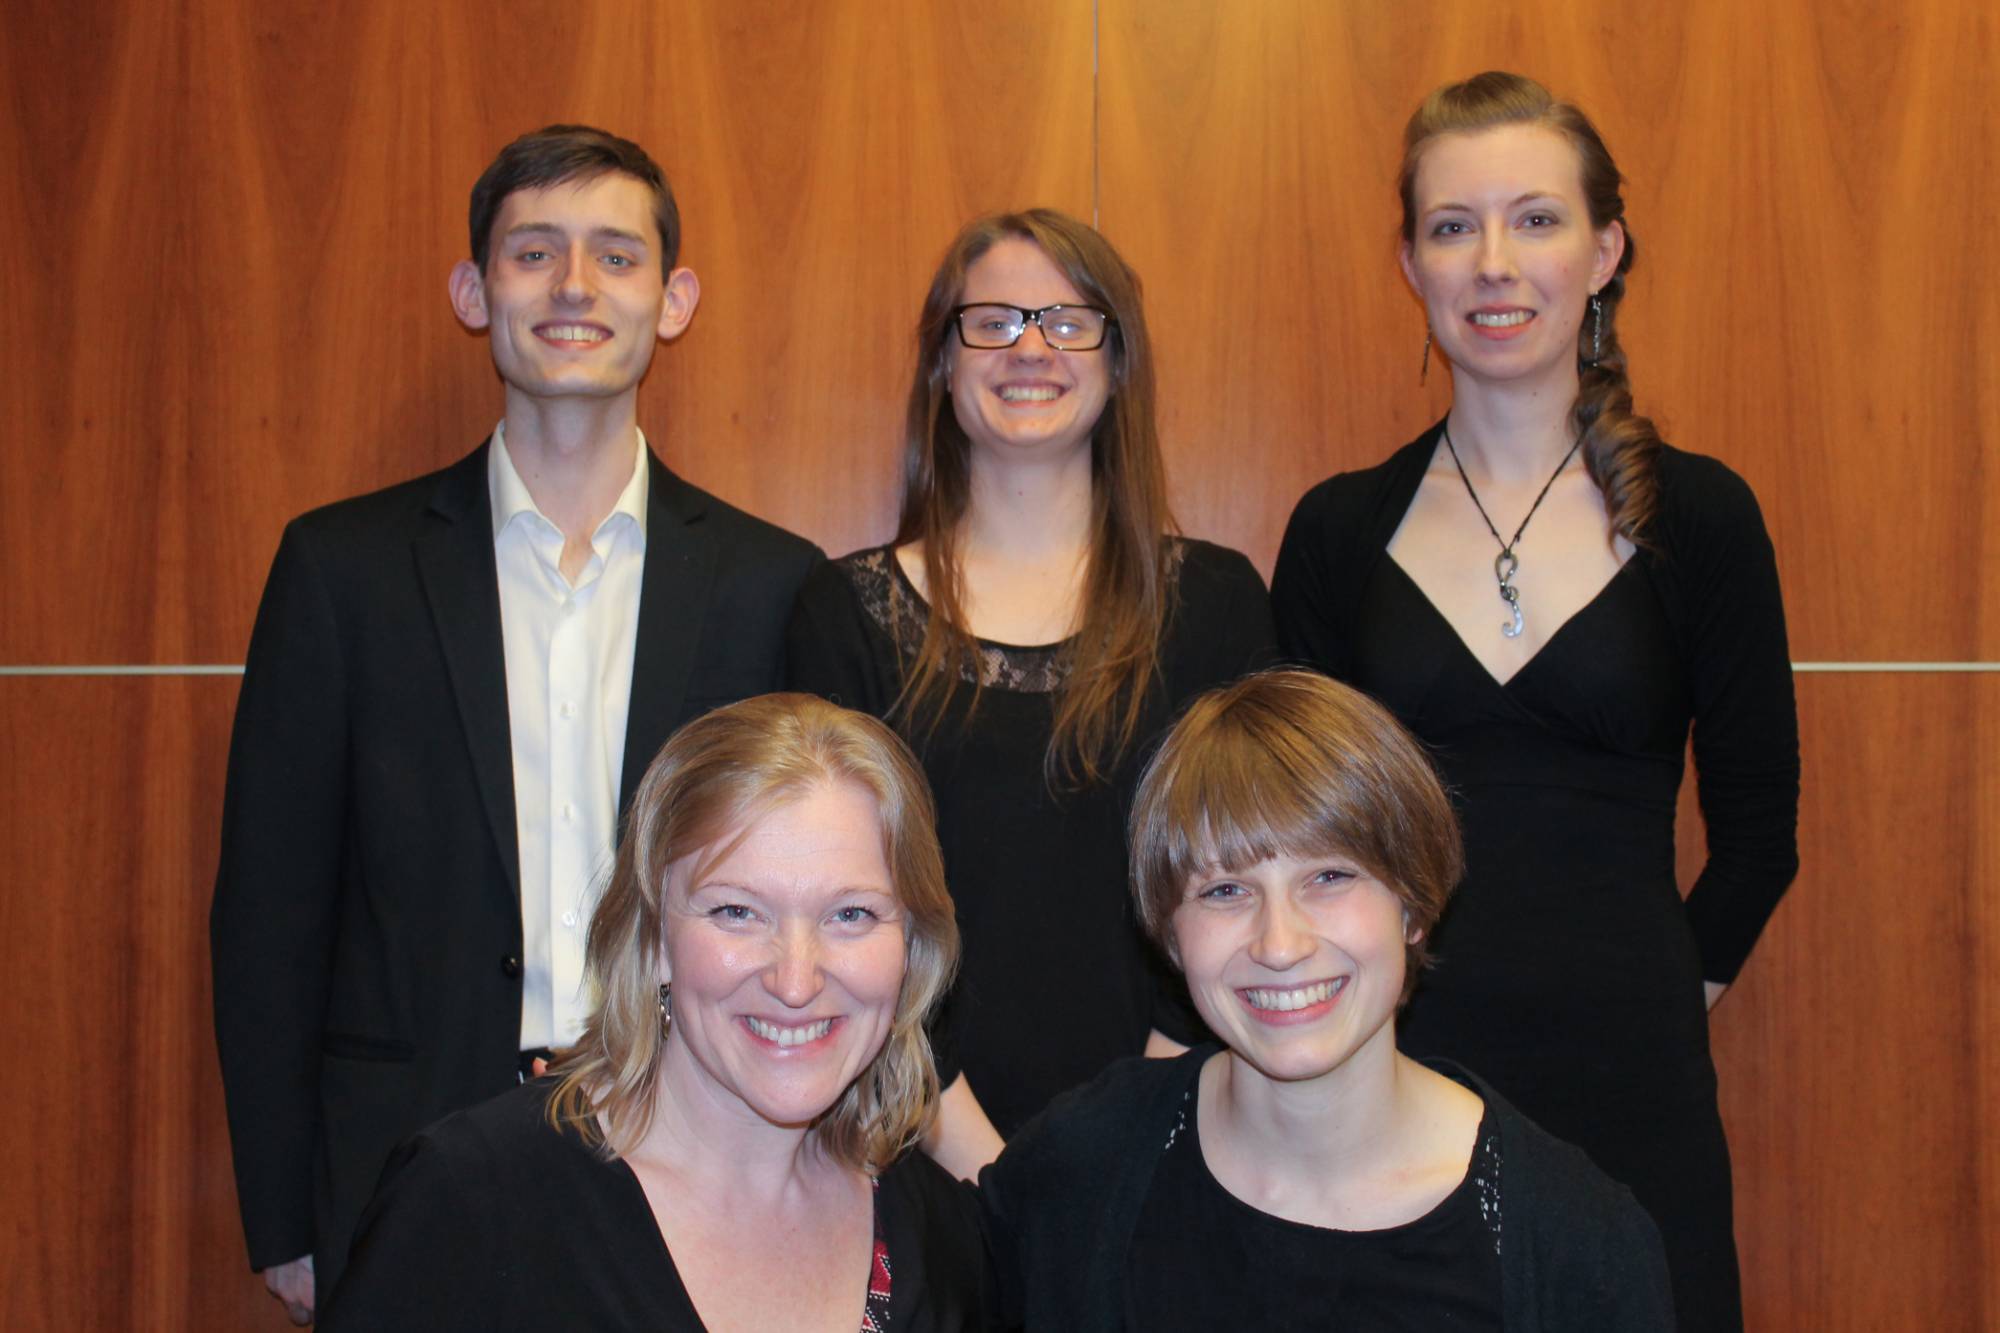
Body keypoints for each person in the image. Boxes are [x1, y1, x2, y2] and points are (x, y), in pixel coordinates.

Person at [210, 125, 822, 1321]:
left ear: (673, 299)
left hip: (693, 1146)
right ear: (473, 289)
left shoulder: (772, 584)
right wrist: (287, 1214)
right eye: (533, 252)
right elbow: (269, 918)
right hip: (405, 1158)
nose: (574, 288)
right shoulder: (342, 570)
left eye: (615, 255)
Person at [1270, 72, 1800, 1331]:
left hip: (1634, 1082)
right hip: (1384, 1076)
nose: (1492, 264)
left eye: (1535, 220)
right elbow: (1284, 834)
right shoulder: (1339, 530)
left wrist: (1657, 988)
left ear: (1604, 249)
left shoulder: (1703, 516)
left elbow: (1757, 836)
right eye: (1452, 227)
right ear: (1409, 261)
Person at [785, 209, 1274, 1176]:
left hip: (1180, 1143)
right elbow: (834, 910)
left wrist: (1140, 1135)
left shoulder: (1221, 604)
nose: (1031, 348)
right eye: (995, 321)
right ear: (944, 361)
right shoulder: (841, 614)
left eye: (1067, 320)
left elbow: (1256, 871)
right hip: (911, 1147)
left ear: (1117, 359)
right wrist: (992, 1177)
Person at [979, 669, 1674, 1330]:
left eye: (1330, 876)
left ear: (1413, 908)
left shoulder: (1577, 1243)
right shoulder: (1083, 1165)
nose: (1280, 944)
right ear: (1169, 932)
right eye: (1226, 890)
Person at [320, 694, 990, 1330]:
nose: (794, 978)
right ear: (652, 938)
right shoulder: (470, 1205)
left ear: (912, 949)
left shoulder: (935, 1239)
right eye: (737, 911)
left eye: (851, 914)